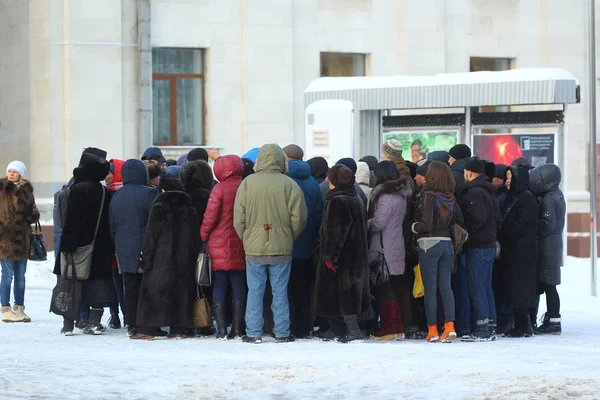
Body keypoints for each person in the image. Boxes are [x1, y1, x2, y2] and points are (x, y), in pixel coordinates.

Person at [234, 144, 308, 344]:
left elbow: (238, 218)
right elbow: (299, 218)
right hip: (282, 246)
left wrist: (247, 237)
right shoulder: (289, 184)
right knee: (280, 291)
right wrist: (288, 236)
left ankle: (253, 332)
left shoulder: (248, 183)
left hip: (254, 247)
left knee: (255, 291)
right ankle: (282, 331)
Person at [55, 150, 115, 335]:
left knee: (72, 283)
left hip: (77, 245)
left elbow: (72, 220)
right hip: (99, 246)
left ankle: (68, 324)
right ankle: (94, 322)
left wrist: (67, 246)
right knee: (98, 285)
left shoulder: (78, 189)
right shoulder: (104, 191)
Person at [133, 177, 199, 340]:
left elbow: (151, 236)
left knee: (154, 292)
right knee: (181, 292)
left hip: (160, 260)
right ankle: (178, 329)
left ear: (163, 190)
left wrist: (145, 260)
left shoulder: (159, 207)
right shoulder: (190, 210)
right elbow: (196, 238)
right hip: (184, 260)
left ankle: (147, 329)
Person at [314, 165, 370, 343]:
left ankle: (352, 331)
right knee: (350, 293)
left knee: (345, 294)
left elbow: (336, 233)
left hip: (342, 257)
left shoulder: (337, 201)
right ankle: (340, 328)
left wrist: (330, 257)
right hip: (357, 254)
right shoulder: (355, 198)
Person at [411, 162, 463, 343]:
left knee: (431, 290)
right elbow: (458, 221)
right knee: (446, 288)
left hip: (429, 245)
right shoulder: (451, 197)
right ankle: (449, 327)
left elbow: (426, 225)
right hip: (447, 245)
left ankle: (432, 330)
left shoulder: (428, 196)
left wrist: (413, 227)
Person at [109, 159, 158, 337]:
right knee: (146, 287)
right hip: (145, 247)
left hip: (123, 248)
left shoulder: (117, 195)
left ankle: (131, 323)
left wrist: (118, 243)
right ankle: (146, 323)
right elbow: (155, 221)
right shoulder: (149, 194)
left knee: (129, 287)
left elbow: (112, 225)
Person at [201, 155, 247, 339]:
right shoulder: (246, 186)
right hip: (241, 242)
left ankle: (221, 329)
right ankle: (238, 328)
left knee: (219, 283)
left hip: (218, 243)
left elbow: (210, 217)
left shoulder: (219, 189)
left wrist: (203, 235)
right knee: (239, 283)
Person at [367, 161, 412, 341]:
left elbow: (378, 223)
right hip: (395, 244)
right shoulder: (401, 195)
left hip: (384, 247)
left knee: (385, 289)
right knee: (394, 288)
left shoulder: (386, 197)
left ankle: (388, 329)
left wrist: (366, 222)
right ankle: (398, 328)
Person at [283, 144, 324, 339]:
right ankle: (304, 325)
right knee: (303, 288)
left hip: (285, 242)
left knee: (284, 288)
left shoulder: (284, 181)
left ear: (285, 158)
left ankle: (287, 326)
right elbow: (318, 214)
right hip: (307, 243)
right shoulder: (313, 183)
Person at [460, 158, 502, 341]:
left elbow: (476, 219)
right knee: (486, 286)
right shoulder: (489, 191)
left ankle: (482, 326)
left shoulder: (474, 193)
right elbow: (498, 220)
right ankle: (490, 324)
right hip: (490, 245)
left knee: (477, 287)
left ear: (469, 172)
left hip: (477, 246)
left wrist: (465, 234)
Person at [497, 166, 538, 338]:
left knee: (520, 287)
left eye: (510, 177)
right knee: (514, 287)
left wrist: (505, 232)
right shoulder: (513, 197)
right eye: (506, 177)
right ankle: (520, 323)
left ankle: (524, 324)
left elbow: (522, 224)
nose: (507, 181)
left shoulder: (526, 198)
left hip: (522, 250)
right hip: (513, 249)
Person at [0, 161, 40, 323]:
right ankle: (5, 308)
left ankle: (19, 307)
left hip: (22, 239)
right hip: (6, 240)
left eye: (15, 171)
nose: (11, 174)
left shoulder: (27, 190)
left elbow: (33, 213)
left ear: (21, 173)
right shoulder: (2, 189)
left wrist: (31, 213)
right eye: (9, 170)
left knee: (21, 277)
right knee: (7, 276)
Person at [529, 164, 566, 335]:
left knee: (549, 286)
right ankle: (553, 319)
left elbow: (547, 225)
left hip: (547, 248)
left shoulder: (549, 199)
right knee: (550, 285)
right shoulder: (557, 195)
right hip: (553, 247)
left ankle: (553, 320)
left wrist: (532, 233)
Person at [106, 158, 125, 329]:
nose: (106, 176)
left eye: (109, 172)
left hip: (120, 246)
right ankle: (114, 315)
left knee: (119, 284)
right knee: (113, 284)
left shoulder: (121, 193)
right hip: (112, 247)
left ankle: (124, 315)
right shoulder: (106, 191)